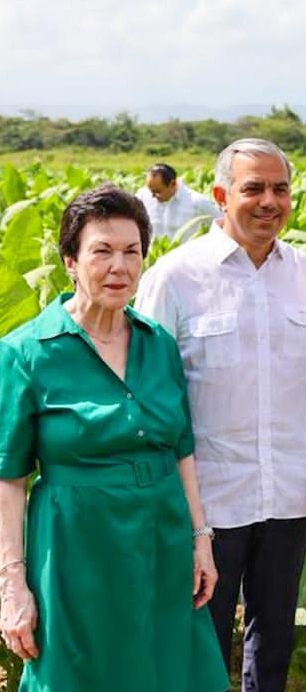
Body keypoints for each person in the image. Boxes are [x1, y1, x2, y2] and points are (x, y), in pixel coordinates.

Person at [0, 185, 228, 691]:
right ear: (70, 262)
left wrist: (201, 540)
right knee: (80, 672)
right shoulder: (25, 353)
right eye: (102, 251)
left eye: (132, 252)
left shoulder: (158, 343)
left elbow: (182, 449)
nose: (119, 267)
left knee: (168, 669)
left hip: (162, 535)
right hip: (75, 545)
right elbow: (8, 479)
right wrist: (11, 583)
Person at [136, 139, 306, 692]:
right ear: (221, 196)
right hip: (207, 501)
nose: (269, 201)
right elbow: (150, 397)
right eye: (253, 189)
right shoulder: (175, 277)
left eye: (280, 189)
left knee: (274, 635)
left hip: (288, 492)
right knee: (202, 635)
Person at [136, 162, 222, 240]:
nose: (153, 196)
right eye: (150, 190)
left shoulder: (197, 202)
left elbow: (222, 225)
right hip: (153, 252)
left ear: (172, 184)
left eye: (158, 192)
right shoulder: (142, 196)